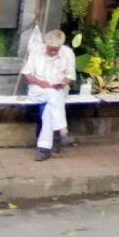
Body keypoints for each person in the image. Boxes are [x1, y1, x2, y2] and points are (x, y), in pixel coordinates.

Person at [22, 30, 76, 161]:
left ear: (60, 47)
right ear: (45, 45)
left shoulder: (68, 53)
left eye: (55, 50)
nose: (52, 52)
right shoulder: (36, 52)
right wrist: (40, 82)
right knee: (53, 97)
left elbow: (70, 76)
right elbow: (27, 74)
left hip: (58, 90)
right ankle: (63, 131)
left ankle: (44, 148)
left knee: (49, 109)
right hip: (38, 89)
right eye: (50, 49)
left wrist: (62, 83)